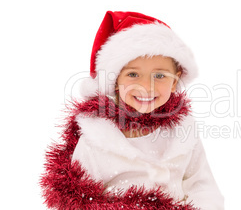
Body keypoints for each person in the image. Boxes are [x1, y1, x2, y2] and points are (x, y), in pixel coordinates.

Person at [40, 11, 224, 210]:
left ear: (175, 80)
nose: (146, 86)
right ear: (115, 79)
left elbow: (201, 184)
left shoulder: (183, 130)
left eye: (160, 76)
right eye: (133, 74)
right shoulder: (96, 139)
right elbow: (78, 200)